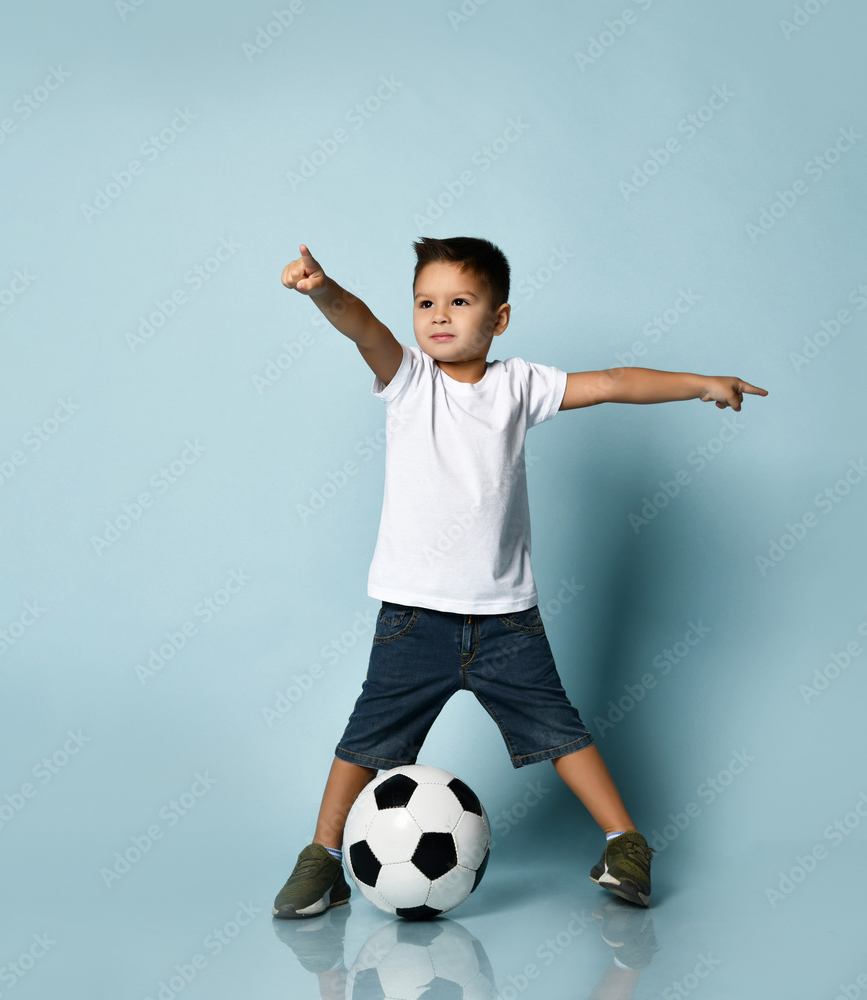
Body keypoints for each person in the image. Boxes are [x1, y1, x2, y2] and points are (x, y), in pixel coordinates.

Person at [272, 236, 767, 919]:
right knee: (365, 741)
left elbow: (615, 382)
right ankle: (320, 860)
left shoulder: (517, 384)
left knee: (560, 732)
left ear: (497, 319)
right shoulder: (408, 381)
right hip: (413, 618)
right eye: (425, 302)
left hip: (507, 619)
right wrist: (322, 289)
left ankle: (627, 845)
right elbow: (363, 327)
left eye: (459, 302)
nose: (438, 315)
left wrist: (701, 384)